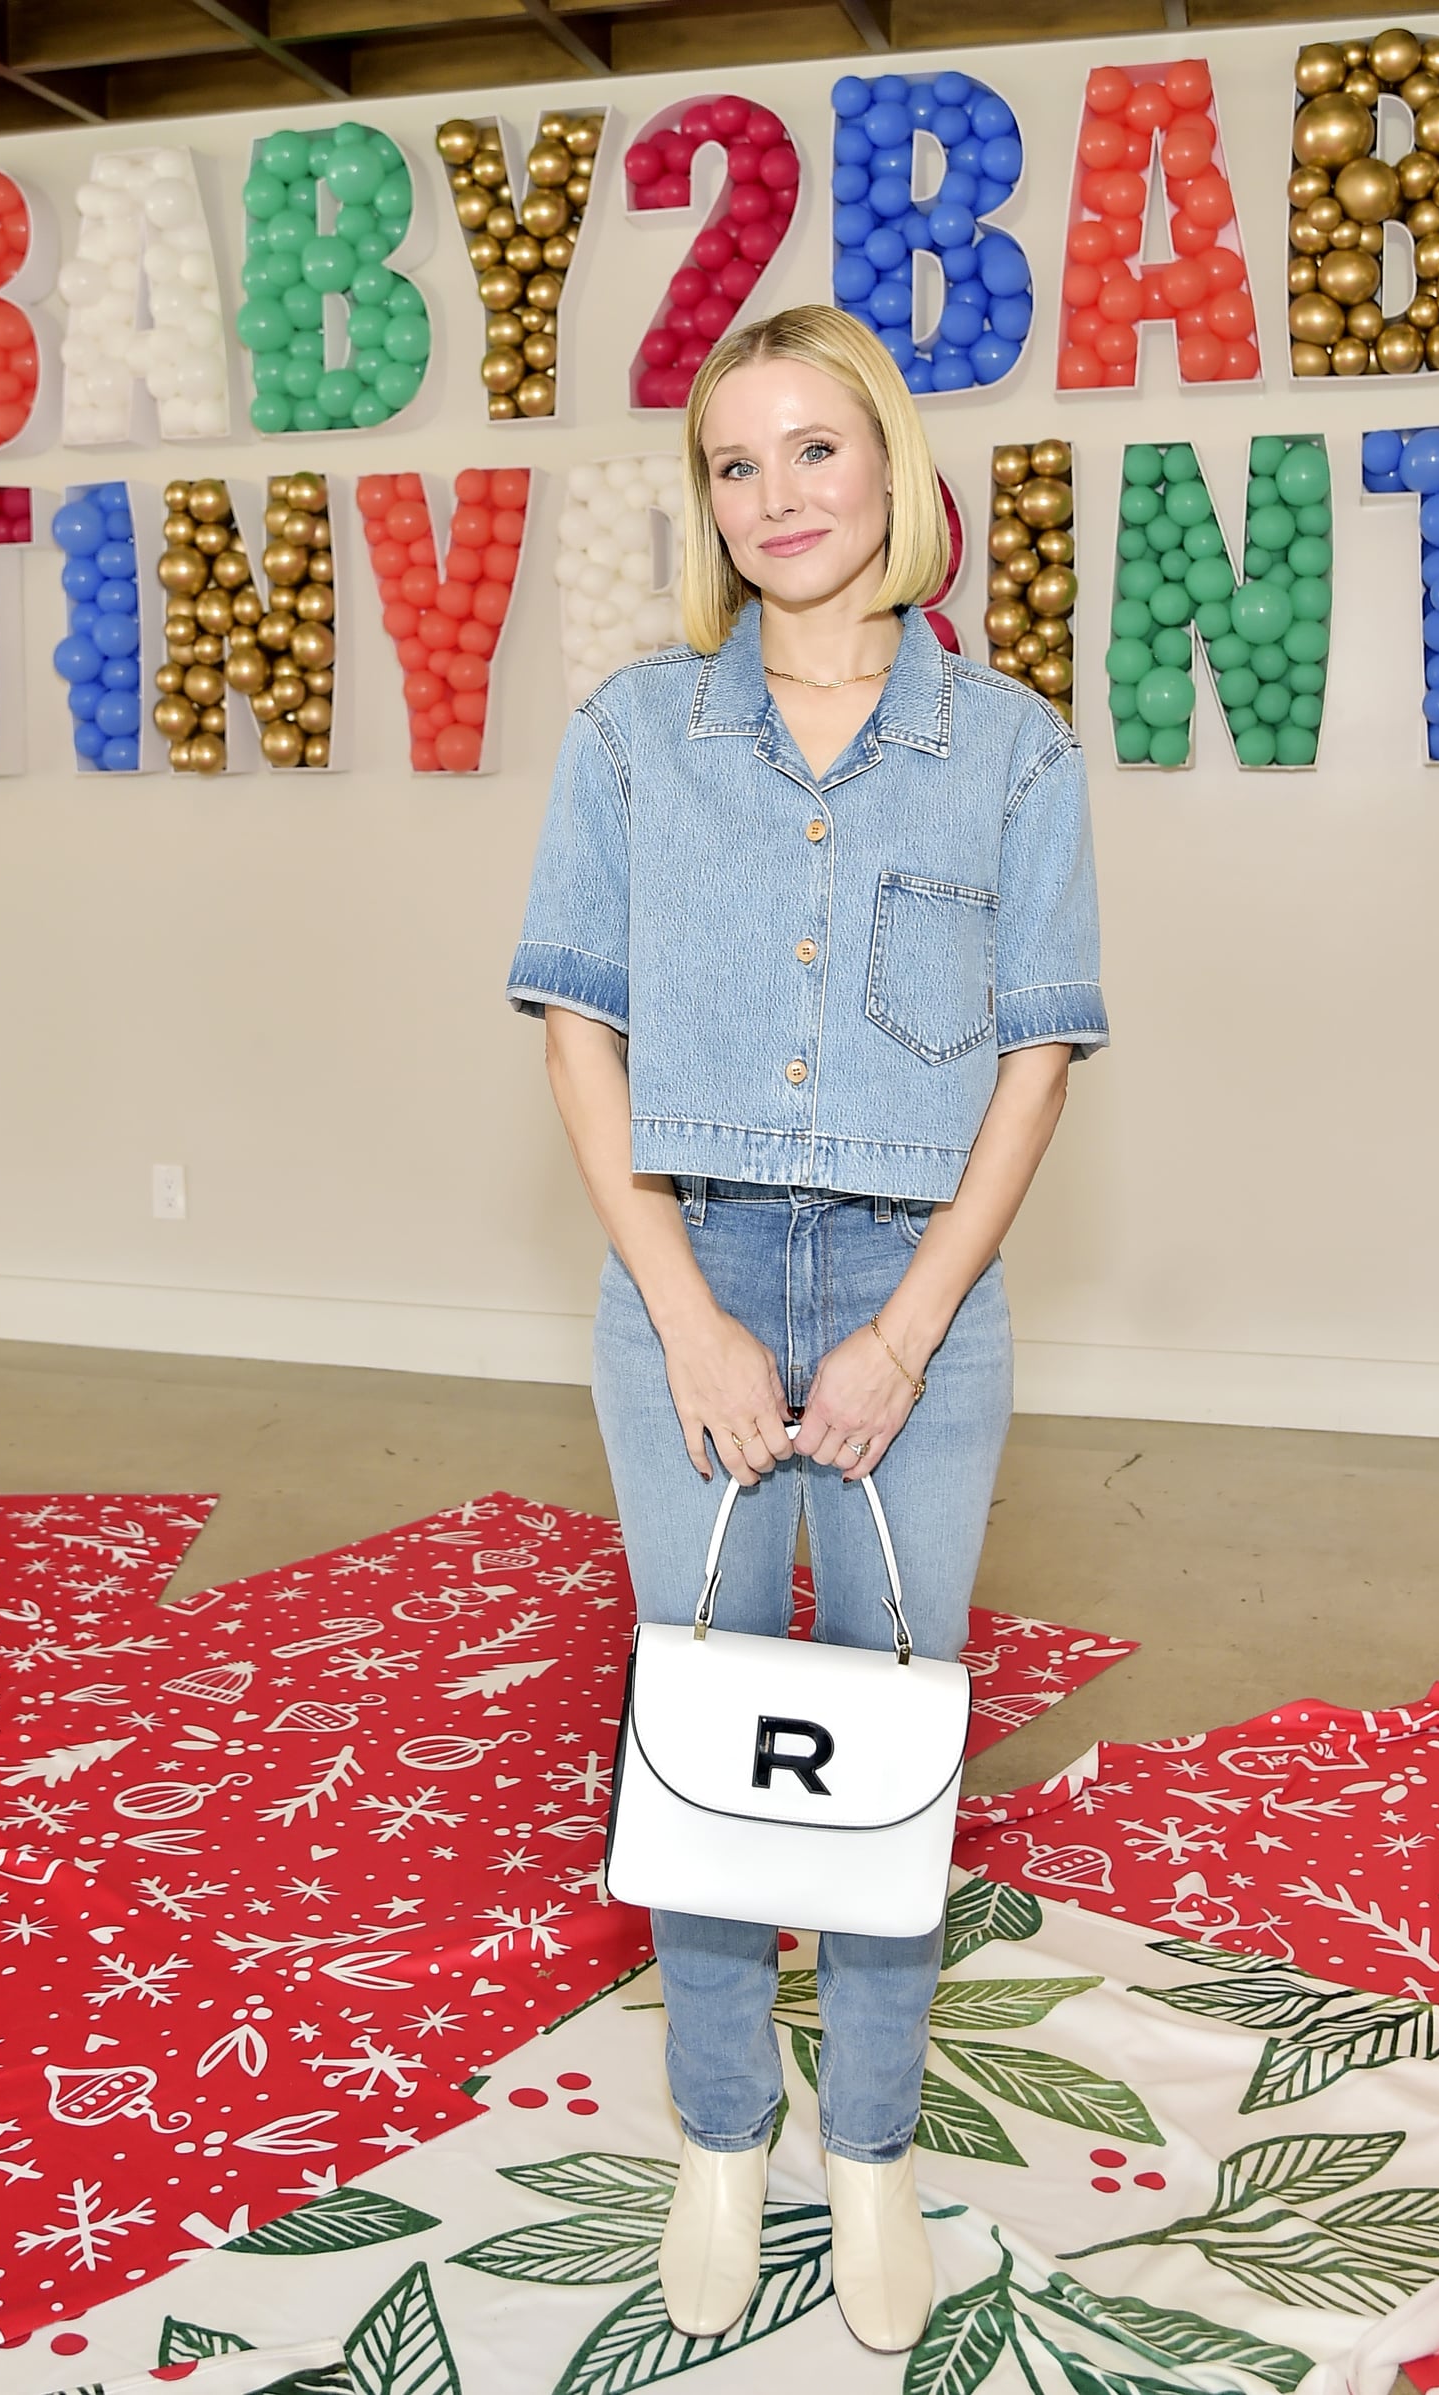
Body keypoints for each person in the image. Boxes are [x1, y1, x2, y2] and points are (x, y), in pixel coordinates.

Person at [506, 304, 1105, 2353]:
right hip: (683, 1277)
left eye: (812, 453)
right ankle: (713, 2134)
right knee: (695, 1736)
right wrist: (680, 1311)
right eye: (735, 465)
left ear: (892, 470)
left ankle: (863, 2150)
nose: (775, 498)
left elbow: (1036, 1061)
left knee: (881, 1739)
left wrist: (899, 1338)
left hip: (909, 1293)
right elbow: (574, 1022)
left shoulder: (1011, 744)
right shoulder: (629, 735)